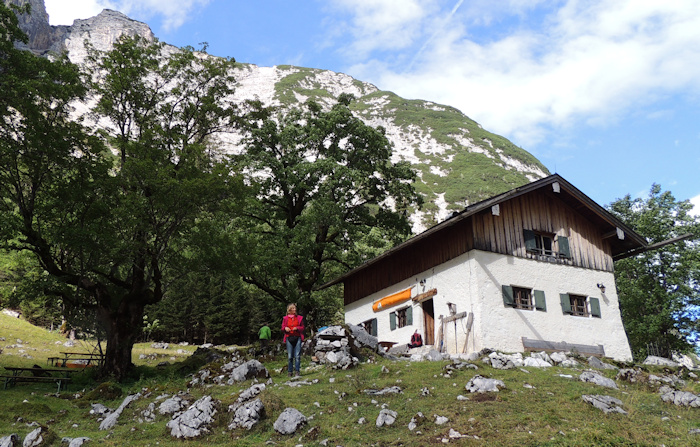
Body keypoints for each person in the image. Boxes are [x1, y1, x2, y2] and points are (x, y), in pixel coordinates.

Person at [281, 303, 305, 377]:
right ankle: (290, 372)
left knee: (297, 356)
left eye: (295, 308)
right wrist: (285, 328)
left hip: (297, 337)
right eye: (293, 308)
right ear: (290, 310)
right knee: (290, 356)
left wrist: (297, 328)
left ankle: (297, 371)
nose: (295, 310)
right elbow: (282, 328)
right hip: (289, 337)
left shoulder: (299, 318)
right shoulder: (285, 318)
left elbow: (303, 327)